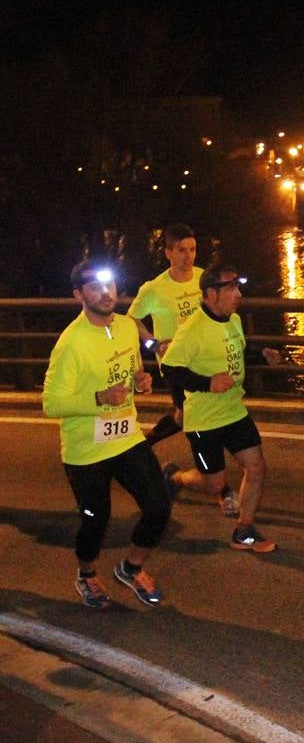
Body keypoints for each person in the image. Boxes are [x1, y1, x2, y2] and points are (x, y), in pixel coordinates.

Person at [43, 259, 171, 609]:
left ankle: (131, 568)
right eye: (94, 287)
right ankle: (86, 574)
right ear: (78, 294)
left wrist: (141, 381)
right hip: (86, 449)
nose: (105, 292)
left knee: (159, 506)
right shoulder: (71, 343)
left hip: (126, 435)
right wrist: (98, 398)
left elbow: (132, 370)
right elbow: (51, 403)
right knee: (95, 519)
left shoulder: (129, 326)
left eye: (109, 285)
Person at [161, 262, 280, 554]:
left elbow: (235, 350)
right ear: (211, 294)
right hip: (204, 420)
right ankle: (173, 477)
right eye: (231, 289)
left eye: (238, 287)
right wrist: (207, 382)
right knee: (215, 484)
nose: (238, 294)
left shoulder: (233, 320)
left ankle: (244, 529)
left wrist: (259, 354)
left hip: (234, 411)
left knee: (256, 468)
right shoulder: (192, 330)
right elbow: (170, 369)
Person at [127, 223, 239, 517]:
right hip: (178, 366)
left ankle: (143, 447)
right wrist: (152, 344)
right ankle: (219, 487)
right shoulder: (154, 288)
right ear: (168, 253)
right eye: (181, 250)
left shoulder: (205, 278)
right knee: (196, 420)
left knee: (184, 415)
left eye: (192, 249)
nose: (188, 256)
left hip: (207, 363)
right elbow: (131, 320)